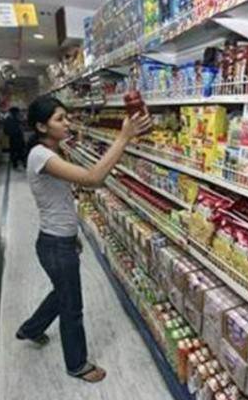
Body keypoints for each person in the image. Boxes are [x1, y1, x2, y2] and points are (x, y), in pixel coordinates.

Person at [16, 96, 151, 383]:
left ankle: (30, 329)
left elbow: (60, 200)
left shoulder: (51, 150)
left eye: (67, 117)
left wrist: (73, 234)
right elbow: (92, 178)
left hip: (58, 240)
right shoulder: (41, 156)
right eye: (59, 119)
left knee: (61, 293)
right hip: (54, 244)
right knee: (72, 307)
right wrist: (124, 137)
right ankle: (77, 365)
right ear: (41, 126)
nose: (67, 123)